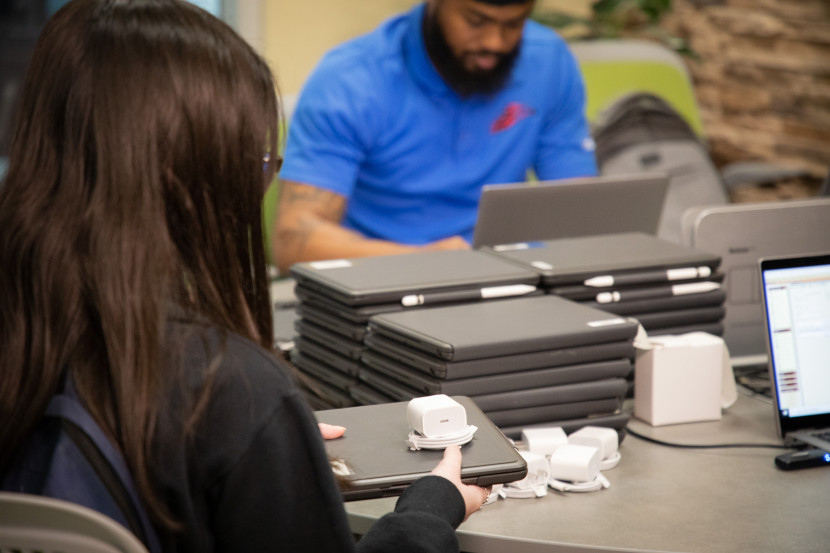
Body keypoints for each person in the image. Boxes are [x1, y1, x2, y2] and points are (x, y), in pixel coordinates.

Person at [0, 1, 488, 551]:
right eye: (259, 165)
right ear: (189, 177)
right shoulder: (231, 391)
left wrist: (277, 455)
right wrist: (428, 511)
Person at [272, 0, 598, 274]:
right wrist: (430, 263)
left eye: (514, 24)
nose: (494, 43)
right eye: (476, 21)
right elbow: (292, 241)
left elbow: (577, 211)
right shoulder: (351, 79)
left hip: (508, 275)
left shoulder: (549, 60)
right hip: (383, 278)